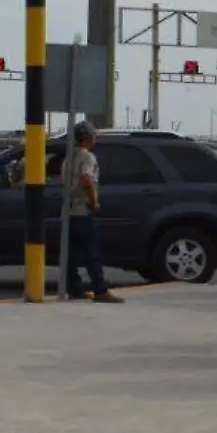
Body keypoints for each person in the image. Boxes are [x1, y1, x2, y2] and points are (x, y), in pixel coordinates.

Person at [65, 122, 122, 303]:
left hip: (69, 211)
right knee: (92, 253)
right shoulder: (87, 157)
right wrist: (95, 202)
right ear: (89, 138)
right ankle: (100, 290)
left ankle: (74, 288)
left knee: (70, 255)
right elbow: (86, 180)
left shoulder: (68, 158)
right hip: (84, 209)